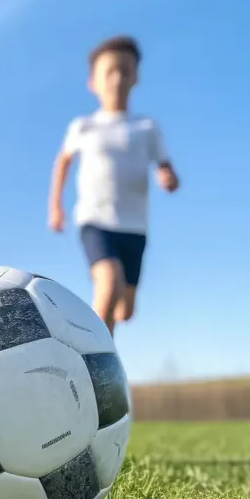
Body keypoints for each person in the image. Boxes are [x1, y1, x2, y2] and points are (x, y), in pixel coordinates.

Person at [48, 35, 180, 337]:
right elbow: (63, 162)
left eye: (125, 70)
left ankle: (108, 328)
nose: (118, 77)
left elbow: (165, 164)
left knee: (125, 310)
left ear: (136, 77)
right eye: (110, 71)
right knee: (108, 284)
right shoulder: (84, 126)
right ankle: (96, 370)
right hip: (96, 221)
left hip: (134, 228)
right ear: (93, 82)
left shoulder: (146, 127)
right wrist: (55, 206)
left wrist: (169, 177)